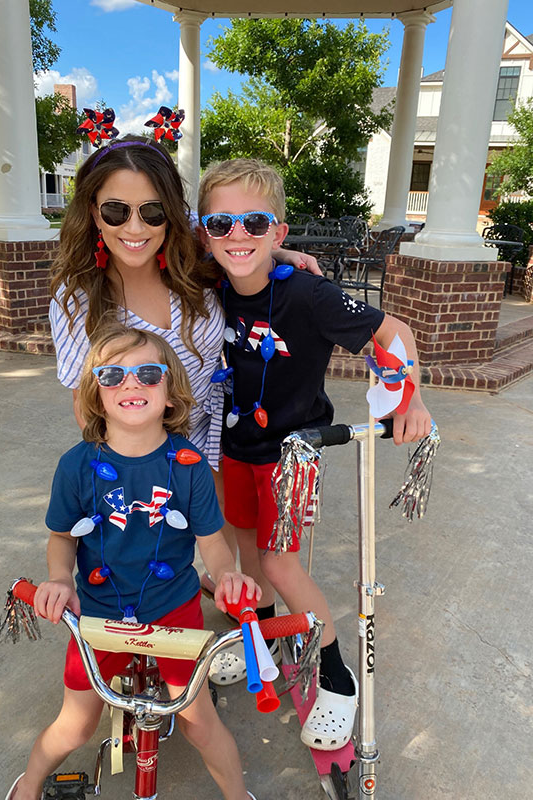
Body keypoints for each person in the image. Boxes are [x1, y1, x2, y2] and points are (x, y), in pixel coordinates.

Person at [197, 158, 432, 752]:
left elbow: (393, 329)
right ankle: (267, 638)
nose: (237, 235)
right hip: (233, 449)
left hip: (294, 455)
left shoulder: (310, 293)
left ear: (279, 230)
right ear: (204, 232)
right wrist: (273, 252)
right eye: (220, 223)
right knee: (243, 547)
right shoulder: (208, 280)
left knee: (279, 564)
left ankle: (335, 673)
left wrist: (412, 397)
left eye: (255, 222)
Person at [48, 133, 318, 595]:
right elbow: (86, 403)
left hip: (225, 429)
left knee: (236, 540)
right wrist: (126, 467)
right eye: (117, 211)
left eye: (151, 211)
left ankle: (246, 619)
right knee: (161, 552)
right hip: (147, 442)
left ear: (170, 213)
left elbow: (237, 236)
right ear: (94, 212)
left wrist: (277, 253)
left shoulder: (192, 261)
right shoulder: (78, 302)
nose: (135, 227)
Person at [6, 324, 261, 800]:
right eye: (112, 375)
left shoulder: (190, 467)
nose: (131, 384)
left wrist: (227, 574)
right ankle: (29, 784)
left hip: (174, 610)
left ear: (170, 393)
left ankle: (238, 795)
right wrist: (60, 578)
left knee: (200, 723)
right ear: (95, 395)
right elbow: (61, 538)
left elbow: (213, 543)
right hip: (99, 611)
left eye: (148, 373)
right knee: (74, 727)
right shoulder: (76, 466)